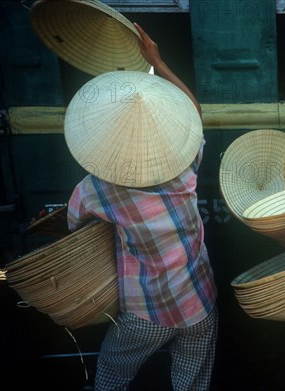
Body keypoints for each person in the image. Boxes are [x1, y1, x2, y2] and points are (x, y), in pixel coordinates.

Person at [65, 23, 218, 391]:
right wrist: (158, 62)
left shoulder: (96, 190)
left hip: (147, 312)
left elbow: (73, 227)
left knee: (113, 375)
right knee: (192, 383)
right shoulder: (185, 169)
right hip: (200, 301)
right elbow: (193, 116)